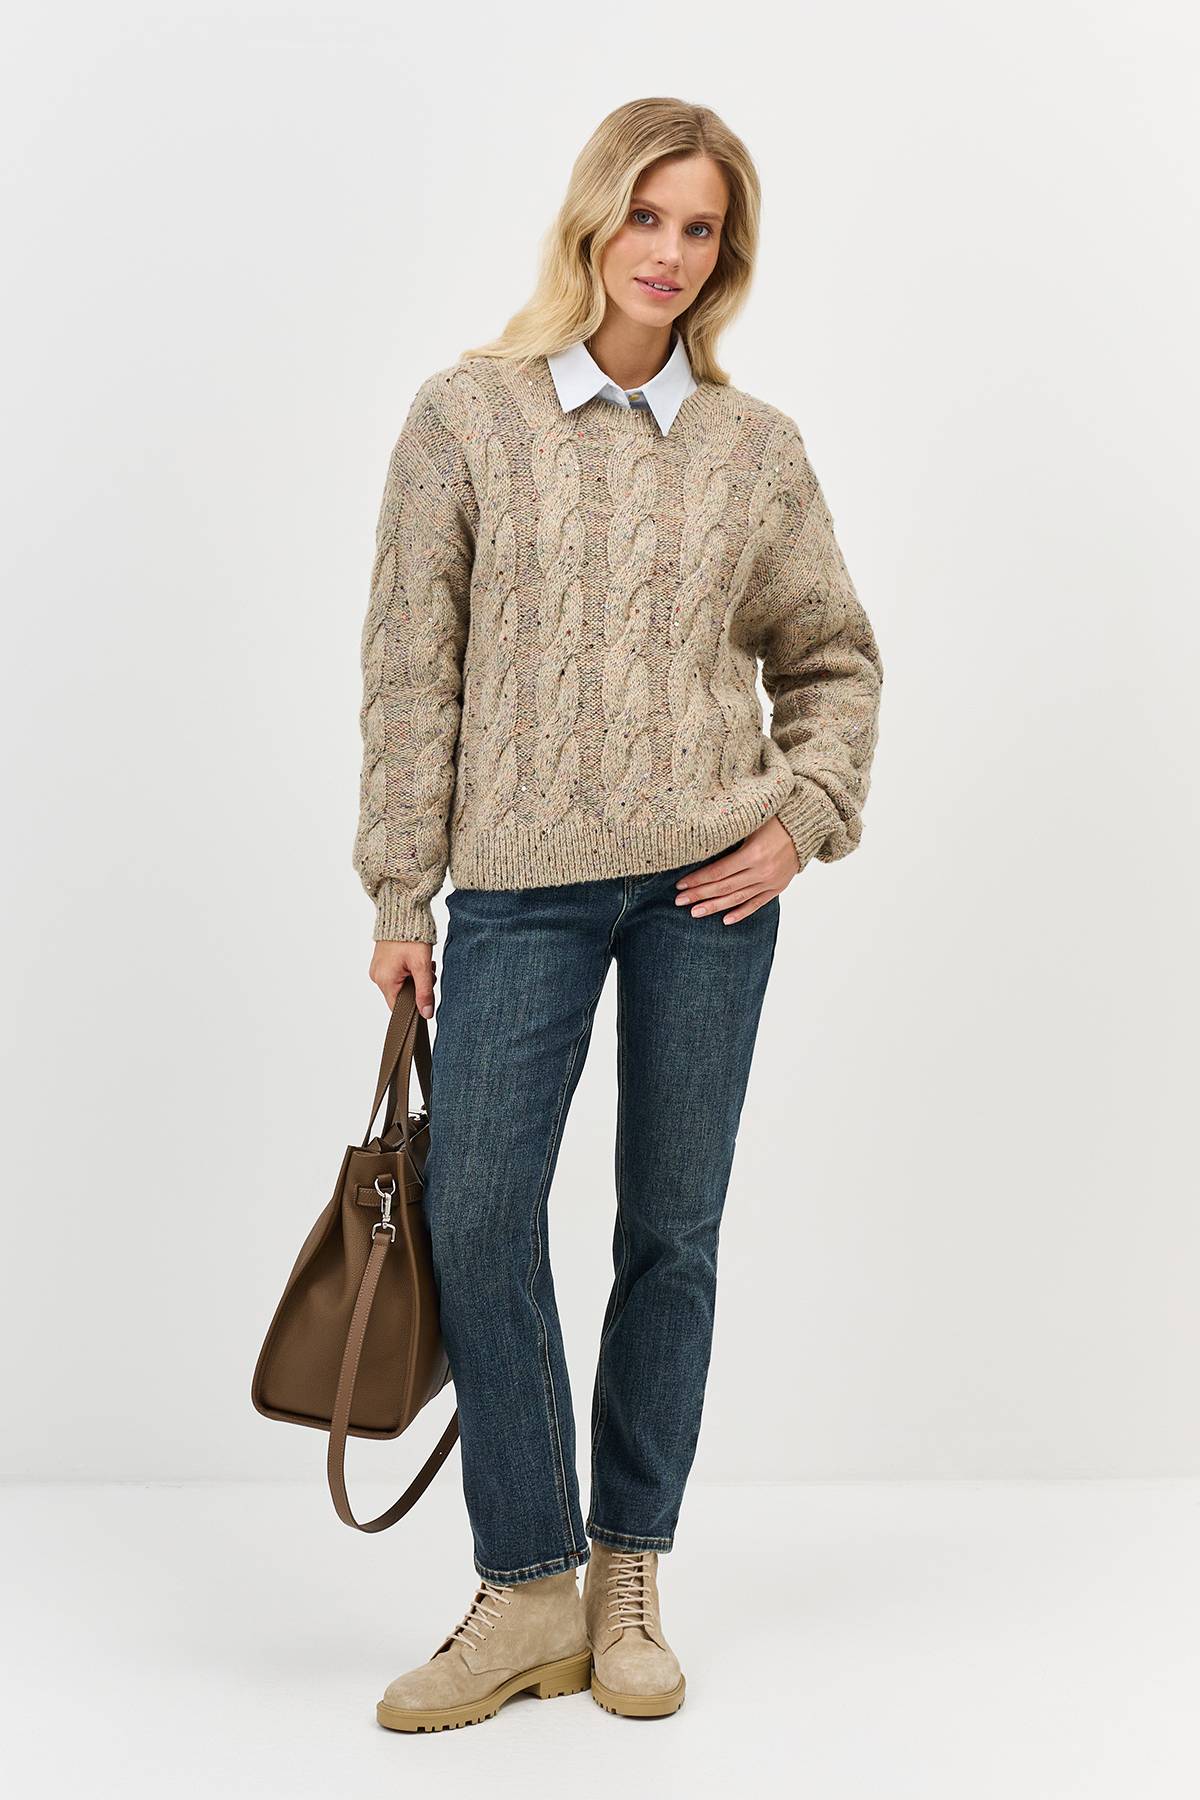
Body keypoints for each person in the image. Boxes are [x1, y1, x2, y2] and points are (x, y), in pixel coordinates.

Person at [353, 96, 884, 1733]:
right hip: (516, 890)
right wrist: (400, 888)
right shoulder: (466, 416)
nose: (667, 252)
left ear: (727, 256)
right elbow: (410, 668)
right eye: (645, 215)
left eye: (699, 227)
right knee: (479, 1212)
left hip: (706, 895)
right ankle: (527, 1589)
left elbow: (833, 660)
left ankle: (628, 1567)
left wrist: (798, 821)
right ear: (592, 220)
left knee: (671, 1229)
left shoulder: (754, 449)